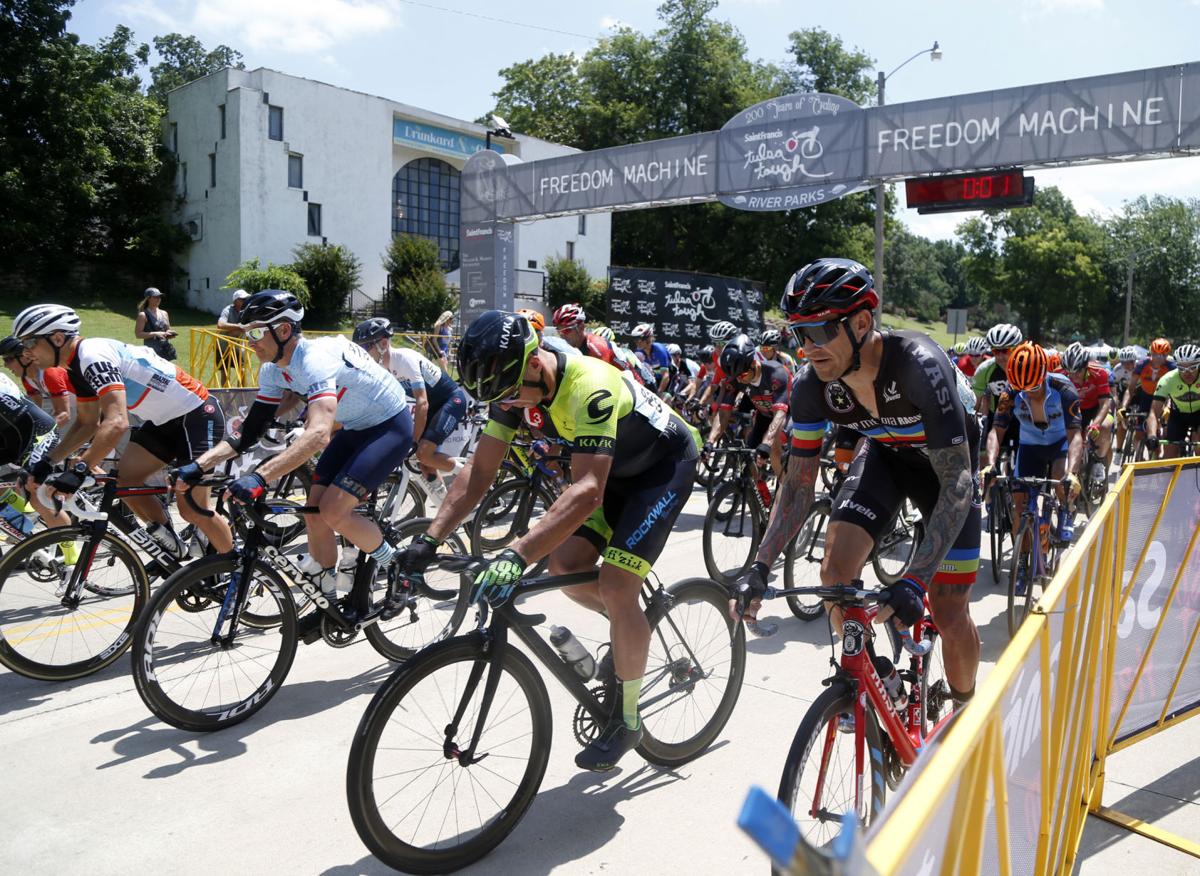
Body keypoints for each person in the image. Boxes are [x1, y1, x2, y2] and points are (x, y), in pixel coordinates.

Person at [397, 310, 700, 771]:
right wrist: (431, 539)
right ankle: (629, 630)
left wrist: (516, 554)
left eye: (511, 396)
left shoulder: (591, 385)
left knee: (617, 586)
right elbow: (480, 471)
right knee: (564, 568)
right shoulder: (512, 386)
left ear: (536, 365)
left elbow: (588, 491)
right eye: (500, 400)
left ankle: (628, 720)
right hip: (610, 471)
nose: (509, 406)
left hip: (661, 470)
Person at [735, 258, 982, 712]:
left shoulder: (919, 365)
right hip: (885, 457)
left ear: (862, 323)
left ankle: (966, 707)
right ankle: (876, 679)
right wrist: (760, 565)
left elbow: (958, 480)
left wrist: (915, 580)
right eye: (800, 335)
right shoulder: (812, 386)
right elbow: (798, 486)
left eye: (820, 331)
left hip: (946, 474)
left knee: (949, 613)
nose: (809, 348)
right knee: (834, 575)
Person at [174, 291, 414, 627]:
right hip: (356, 427)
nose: (251, 342)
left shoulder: (315, 360)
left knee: (333, 511)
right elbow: (248, 433)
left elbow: (319, 433)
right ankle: (328, 601)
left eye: (257, 332)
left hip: (390, 425)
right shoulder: (272, 370)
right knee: (313, 514)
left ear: (284, 330)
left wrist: (260, 477)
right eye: (247, 333)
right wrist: (198, 466)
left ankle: (400, 567)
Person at [14, 303, 232, 558]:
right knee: (126, 482)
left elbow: (117, 422)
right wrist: (46, 463)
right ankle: (172, 548)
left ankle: (235, 568)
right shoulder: (74, 368)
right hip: (163, 421)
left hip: (197, 414)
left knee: (192, 508)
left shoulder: (92, 357)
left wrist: (80, 470)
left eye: (30, 342)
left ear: (58, 338)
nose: (26, 352)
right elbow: (87, 424)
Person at [981, 343, 1082, 581]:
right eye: (1022, 389)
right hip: (1030, 446)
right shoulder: (1009, 394)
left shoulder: (1064, 389)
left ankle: (1065, 510)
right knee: (1020, 507)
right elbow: (996, 431)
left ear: (1044, 375)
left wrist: (1072, 472)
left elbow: (1076, 435)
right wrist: (990, 464)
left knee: (1060, 478)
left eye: (1034, 387)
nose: (1029, 393)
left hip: (1059, 444)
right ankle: (1023, 559)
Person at [352, 317, 470, 497]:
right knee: (423, 462)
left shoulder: (403, 359)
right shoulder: (380, 370)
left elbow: (422, 402)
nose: (362, 353)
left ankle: (472, 475)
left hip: (451, 400)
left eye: (365, 347)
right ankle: (444, 501)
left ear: (383, 343)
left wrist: (413, 440)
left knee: (424, 453)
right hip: (433, 406)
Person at [706, 334, 790, 478]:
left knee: (774, 447)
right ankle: (758, 488)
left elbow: (780, 414)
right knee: (749, 458)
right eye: (736, 377)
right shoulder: (737, 378)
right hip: (764, 415)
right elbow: (723, 414)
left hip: (790, 414)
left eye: (743, 375)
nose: (739, 380)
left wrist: (766, 443)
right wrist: (710, 442)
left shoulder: (776, 373)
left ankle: (785, 486)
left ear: (754, 364)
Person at [1062, 342, 1114, 476]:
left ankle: (1099, 461)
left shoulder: (1099, 373)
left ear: (1086, 366)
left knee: (1105, 426)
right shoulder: (1059, 374)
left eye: (1078, 371)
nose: (1074, 376)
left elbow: (1105, 403)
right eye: (1070, 373)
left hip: (1096, 407)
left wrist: (1096, 424)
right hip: (1074, 408)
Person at [1119, 338, 1175, 461]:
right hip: (1146, 397)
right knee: (1139, 433)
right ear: (1151, 353)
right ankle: (1139, 457)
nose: (1158, 358)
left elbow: (1174, 391)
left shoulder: (1172, 367)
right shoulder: (1142, 364)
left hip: (1164, 399)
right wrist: (1123, 407)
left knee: (1162, 430)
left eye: (1162, 355)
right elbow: (1130, 389)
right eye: (1155, 354)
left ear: (1167, 355)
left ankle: (1158, 455)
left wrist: (1168, 407)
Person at [0, 336, 71, 426]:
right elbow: (36, 411)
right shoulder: (27, 378)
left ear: (26, 357)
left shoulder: (49, 372)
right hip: (75, 409)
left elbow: (64, 414)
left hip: (84, 410)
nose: (5, 365)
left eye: (8, 360)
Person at [1147, 343, 1200, 459]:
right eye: (1182, 368)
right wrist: (1152, 435)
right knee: (1170, 457)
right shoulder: (1168, 380)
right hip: (1178, 416)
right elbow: (1153, 412)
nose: (1187, 372)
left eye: (1192, 367)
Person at [215, 289, 252, 385]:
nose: (245, 301)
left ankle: (242, 393)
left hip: (238, 346)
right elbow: (220, 324)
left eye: (246, 299)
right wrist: (238, 327)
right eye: (243, 299)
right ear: (235, 301)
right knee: (225, 373)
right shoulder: (227, 310)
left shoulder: (247, 311)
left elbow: (250, 326)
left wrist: (237, 329)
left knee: (242, 371)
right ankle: (225, 393)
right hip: (223, 346)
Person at [630, 323, 672, 395]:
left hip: (670, 378)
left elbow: (666, 376)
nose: (637, 343)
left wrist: (658, 394)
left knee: (664, 397)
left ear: (648, 339)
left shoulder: (659, 350)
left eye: (638, 340)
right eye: (635, 340)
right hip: (656, 378)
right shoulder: (639, 351)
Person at [135, 287, 176, 361]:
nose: (158, 299)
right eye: (155, 297)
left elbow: (167, 330)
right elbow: (138, 334)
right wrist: (156, 333)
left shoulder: (164, 313)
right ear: (148, 298)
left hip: (165, 351)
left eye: (159, 297)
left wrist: (170, 333)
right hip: (151, 353)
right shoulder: (143, 315)